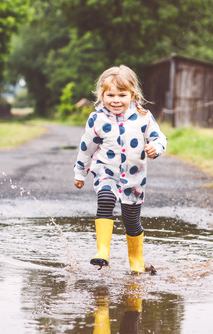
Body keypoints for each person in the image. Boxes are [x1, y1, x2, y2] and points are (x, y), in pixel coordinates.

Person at [73, 65, 167, 273]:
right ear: (102, 95)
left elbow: (160, 138)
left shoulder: (143, 116)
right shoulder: (97, 119)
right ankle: (102, 252)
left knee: (131, 220)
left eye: (122, 95)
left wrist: (156, 147)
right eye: (110, 95)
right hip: (105, 172)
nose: (116, 100)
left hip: (134, 178)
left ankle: (136, 262)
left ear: (132, 95)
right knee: (105, 200)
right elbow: (86, 147)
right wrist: (80, 172)